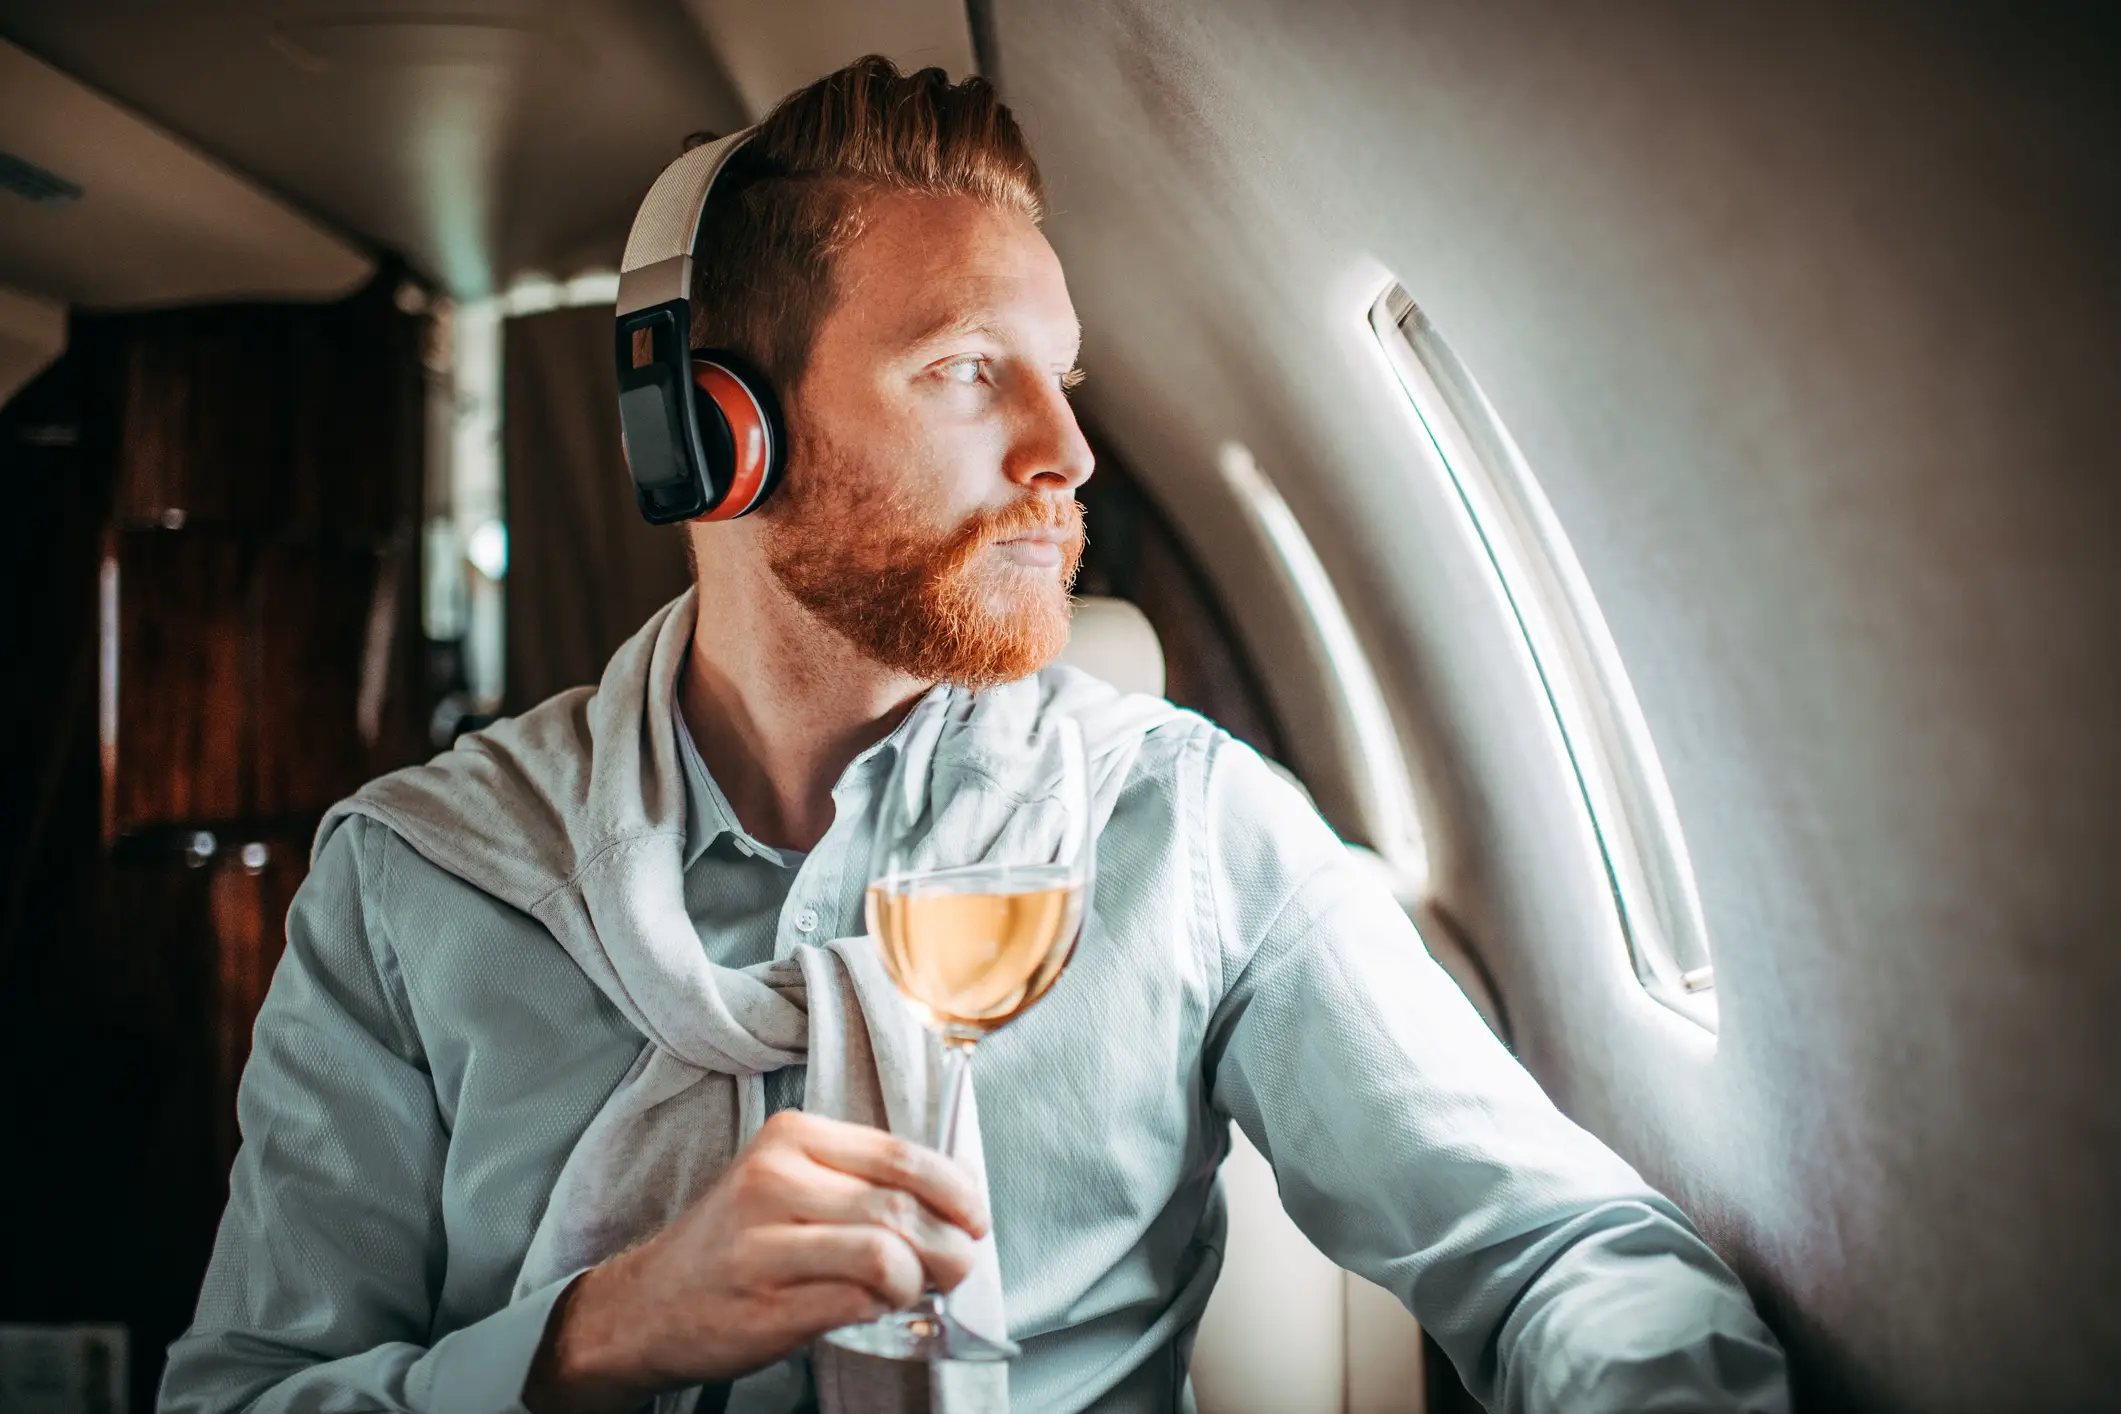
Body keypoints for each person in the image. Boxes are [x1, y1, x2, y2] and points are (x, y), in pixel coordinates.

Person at [160, 57, 1789, 1414]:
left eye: (1064, 379)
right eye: (966, 371)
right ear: (717, 435)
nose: (1065, 451)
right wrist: (595, 1337)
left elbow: (1561, 1251)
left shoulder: (1188, 830)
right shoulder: (414, 885)